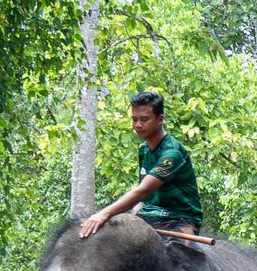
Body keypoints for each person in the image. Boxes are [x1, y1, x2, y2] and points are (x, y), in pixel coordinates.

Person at [78, 89, 202, 237]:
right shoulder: (144, 150)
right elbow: (143, 193)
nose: (137, 125)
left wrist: (103, 213)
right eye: (134, 119)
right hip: (149, 215)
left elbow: (143, 190)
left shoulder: (172, 153)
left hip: (178, 218)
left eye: (144, 119)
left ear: (160, 119)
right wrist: (138, 206)